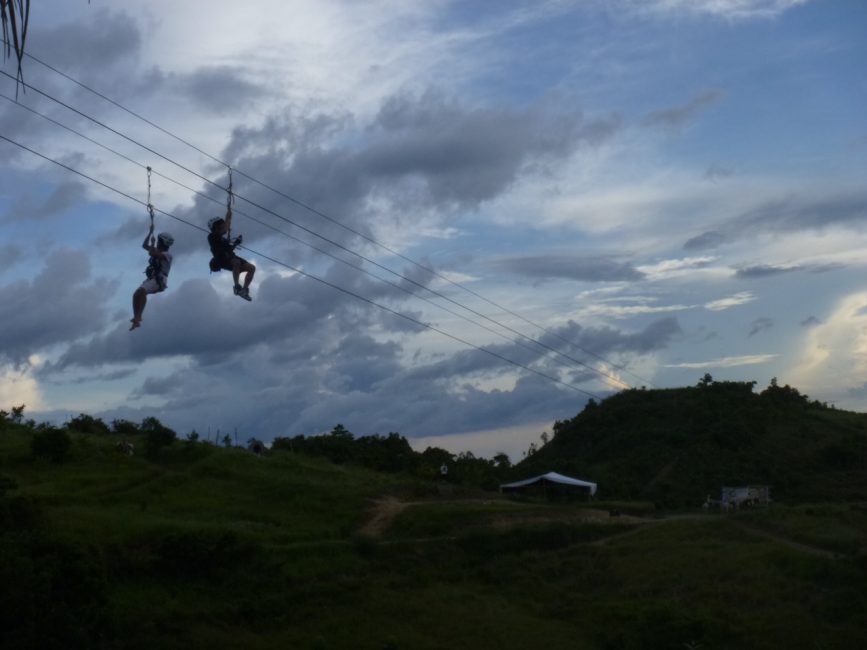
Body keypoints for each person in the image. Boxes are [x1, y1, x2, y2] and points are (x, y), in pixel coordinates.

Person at [130, 226, 174, 330]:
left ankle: (139, 316)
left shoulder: (168, 255)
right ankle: (136, 317)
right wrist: (150, 232)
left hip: (159, 280)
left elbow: (152, 253)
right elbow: (144, 245)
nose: (157, 243)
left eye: (159, 241)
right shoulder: (157, 250)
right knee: (137, 294)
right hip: (152, 279)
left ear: (162, 243)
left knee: (142, 292)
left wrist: (153, 244)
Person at [207, 206, 255, 301]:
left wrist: (229, 212)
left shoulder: (223, 239)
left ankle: (244, 290)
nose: (223, 226)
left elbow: (227, 224)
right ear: (216, 228)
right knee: (236, 262)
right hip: (222, 259)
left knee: (251, 268)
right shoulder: (212, 237)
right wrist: (228, 218)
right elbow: (226, 226)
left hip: (230, 257)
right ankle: (237, 287)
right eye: (221, 225)